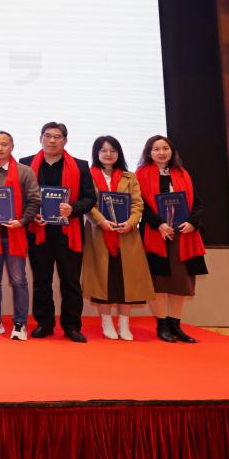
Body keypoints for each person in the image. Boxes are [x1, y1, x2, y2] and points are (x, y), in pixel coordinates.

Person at [20, 121, 96, 343]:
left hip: (69, 234)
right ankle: (44, 323)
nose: (51, 140)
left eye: (57, 136)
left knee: (71, 282)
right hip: (38, 232)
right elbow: (20, 197)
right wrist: (31, 214)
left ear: (65, 140)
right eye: (47, 136)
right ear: (40, 139)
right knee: (41, 281)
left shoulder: (80, 166)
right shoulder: (25, 164)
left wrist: (73, 209)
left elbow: (90, 198)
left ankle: (72, 327)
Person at [136, 135, 208, 344]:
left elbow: (197, 203)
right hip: (156, 234)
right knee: (158, 281)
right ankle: (162, 324)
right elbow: (141, 206)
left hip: (182, 236)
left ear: (172, 151)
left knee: (180, 281)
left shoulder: (182, 173)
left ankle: (176, 325)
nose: (161, 152)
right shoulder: (140, 175)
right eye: (156, 149)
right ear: (149, 152)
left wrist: (192, 222)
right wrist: (159, 224)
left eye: (165, 148)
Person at [84, 136, 153, 341]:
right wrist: (102, 221)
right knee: (103, 280)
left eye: (113, 150)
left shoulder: (129, 177)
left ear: (119, 153)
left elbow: (138, 204)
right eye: (103, 150)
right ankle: (106, 322)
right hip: (99, 234)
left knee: (126, 281)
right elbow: (88, 204)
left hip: (127, 235)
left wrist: (131, 223)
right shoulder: (88, 176)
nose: (108, 154)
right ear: (96, 153)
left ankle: (124, 324)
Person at [0, 131, 40, 342]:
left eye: (4, 144)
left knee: (18, 280)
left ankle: (20, 324)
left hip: (15, 233)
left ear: (12, 146)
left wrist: (22, 221)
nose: (0, 148)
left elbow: (35, 200)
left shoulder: (24, 171)